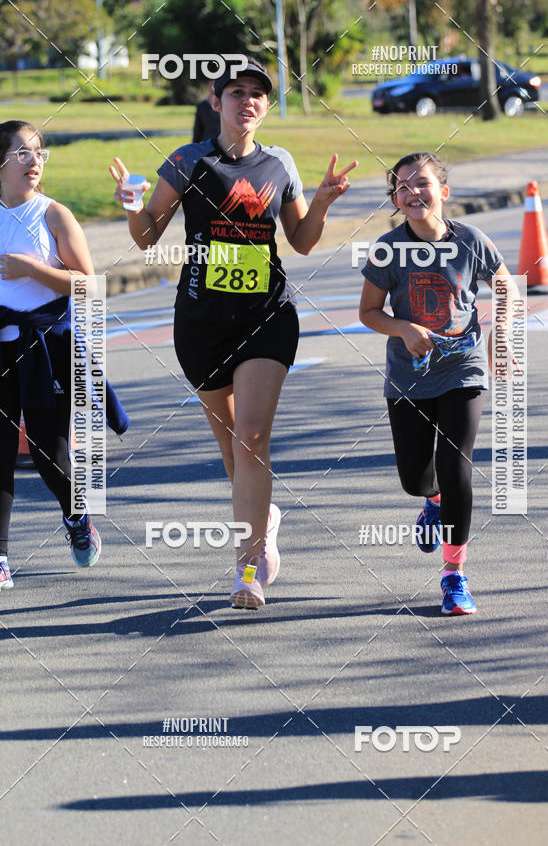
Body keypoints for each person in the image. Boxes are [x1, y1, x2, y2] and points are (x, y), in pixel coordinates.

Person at [110, 58, 357, 609]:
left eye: (257, 95)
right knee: (232, 449)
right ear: (215, 102)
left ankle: (248, 570)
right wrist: (132, 208)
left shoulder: (279, 164)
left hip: (266, 315)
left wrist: (318, 202)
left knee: (253, 438)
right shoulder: (187, 160)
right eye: (235, 93)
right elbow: (149, 237)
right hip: (200, 322)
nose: (247, 101)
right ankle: (263, 517)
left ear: (267, 108)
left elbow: (303, 241)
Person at [359, 151, 519, 615]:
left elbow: (506, 285)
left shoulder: (471, 240)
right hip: (409, 377)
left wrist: (500, 334)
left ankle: (454, 576)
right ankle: (431, 502)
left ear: (443, 192)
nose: (413, 192)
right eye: (403, 187)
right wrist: (404, 329)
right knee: (415, 477)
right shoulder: (387, 249)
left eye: (422, 183)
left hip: (463, 368)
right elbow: (367, 312)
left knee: (456, 466)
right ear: (395, 199)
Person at [0, 120, 127, 589]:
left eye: (39, 153)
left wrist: (32, 269)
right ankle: (0, 559)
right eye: (22, 154)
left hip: (45, 347)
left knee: (48, 453)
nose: (34, 161)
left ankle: (77, 515)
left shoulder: (53, 215)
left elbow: (89, 285)